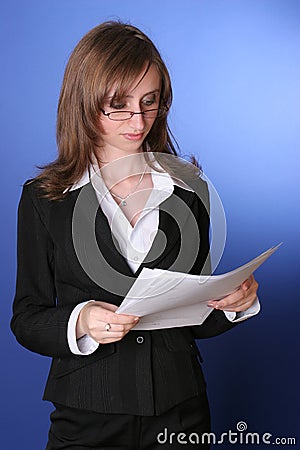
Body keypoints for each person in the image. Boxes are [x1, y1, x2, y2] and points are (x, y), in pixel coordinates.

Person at [11, 21, 259, 449]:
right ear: (84, 102)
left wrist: (236, 303)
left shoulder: (189, 188)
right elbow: (27, 317)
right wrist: (81, 319)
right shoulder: (44, 199)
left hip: (181, 413)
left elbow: (196, 316)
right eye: (119, 105)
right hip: (86, 415)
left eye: (150, 102)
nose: (138, 120)